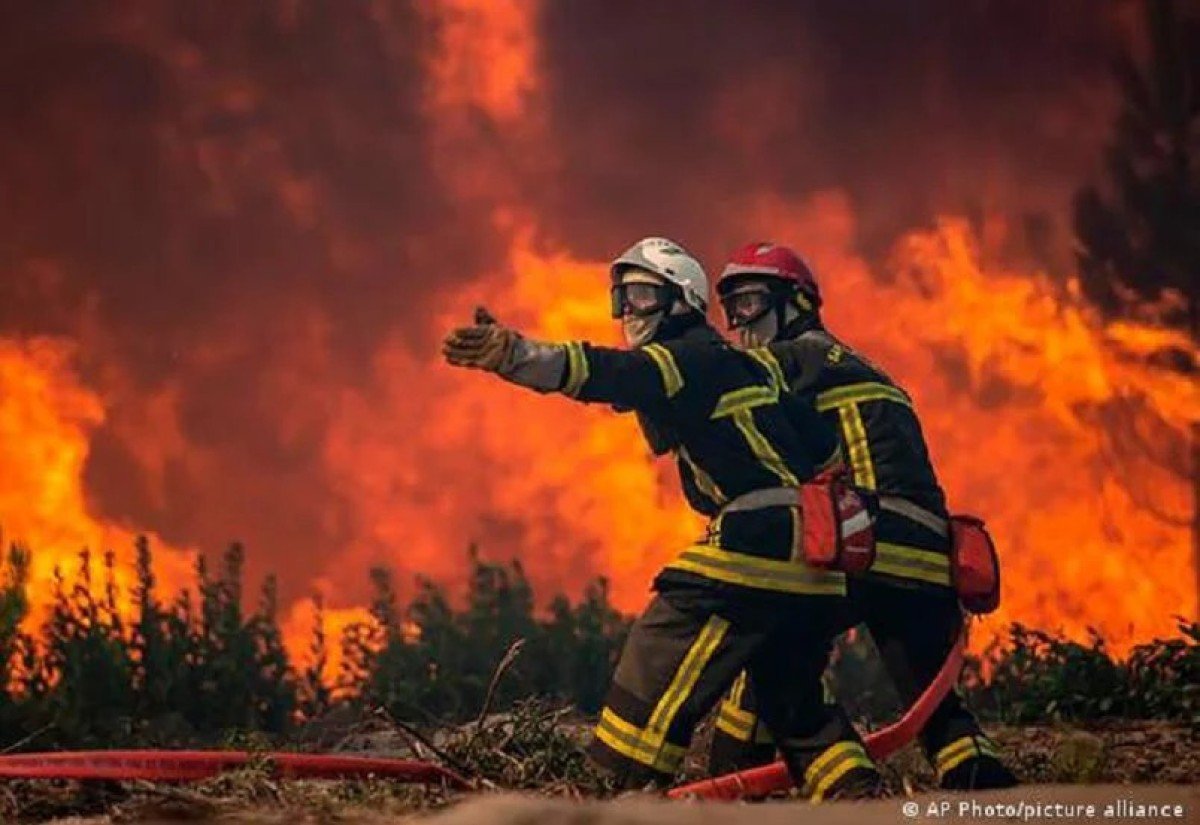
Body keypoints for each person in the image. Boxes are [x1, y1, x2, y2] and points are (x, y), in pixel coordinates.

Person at [442, 237, 883, 798]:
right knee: (789, 691)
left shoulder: (683, 355)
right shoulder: (750, 366)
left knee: (659, 643)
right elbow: (824, 451)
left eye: (645, 296)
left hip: (758, 540)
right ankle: (857, 795)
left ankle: (616, 791)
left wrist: (513, 355)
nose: (630, 311)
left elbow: (604, 372)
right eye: (622, 298)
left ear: (683, 303)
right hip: (814, 559)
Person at [709, 241, 1018, 790]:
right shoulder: (862, 365)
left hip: (864, 541)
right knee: (929, 688)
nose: (739, 323)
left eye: (751, 303)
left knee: (774, 651)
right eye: (731, 310)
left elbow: (723, 390)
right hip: (927, 551)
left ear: (796, 303)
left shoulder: (788, 359)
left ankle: (834, 778)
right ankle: (975, 772)